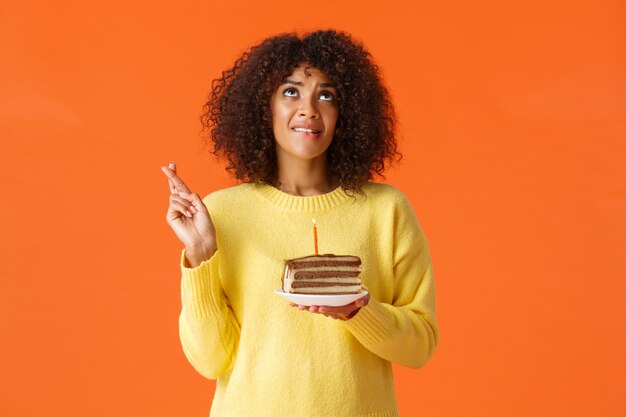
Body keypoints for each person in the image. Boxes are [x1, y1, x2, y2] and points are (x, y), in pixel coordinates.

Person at [161, 29, 439, 417]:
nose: (309, 109)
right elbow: (210, 360)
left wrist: (359, 311)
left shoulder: (387, 211)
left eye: (326, 95)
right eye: (291, 92)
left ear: (346, 113)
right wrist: (200, 255)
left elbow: (420, 345)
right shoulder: (221, 214)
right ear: (265, 106)